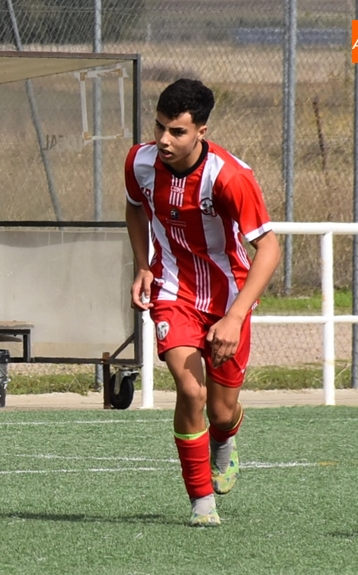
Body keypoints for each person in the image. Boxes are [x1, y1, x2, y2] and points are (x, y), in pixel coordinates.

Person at [124, 79, 281, 527]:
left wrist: (234, 317)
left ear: (201, 131)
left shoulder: (229, 176)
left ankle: (226, 439)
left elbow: (268, 248)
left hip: (229, 297)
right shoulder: (139, 161)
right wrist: (143, 265)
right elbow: (135, 208)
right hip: (174, 292)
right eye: (159, 127)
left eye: (176, 132)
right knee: (190, 389)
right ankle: (201, 502)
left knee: (220, 410)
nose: (163, 140)